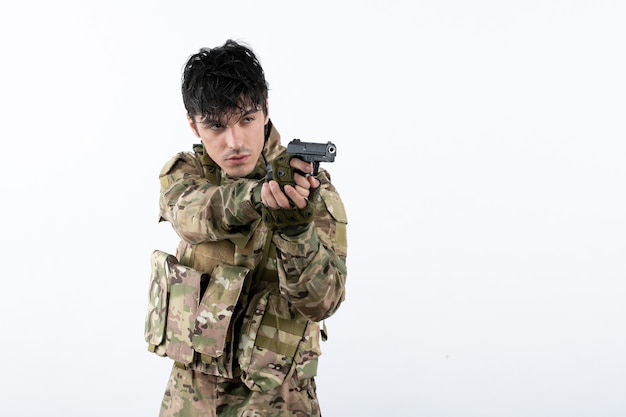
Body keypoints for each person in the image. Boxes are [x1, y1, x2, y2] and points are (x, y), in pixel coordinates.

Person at [153, 39, 348, 416]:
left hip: (277, 402)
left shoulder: (310, 191)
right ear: (193, 125)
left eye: (246, 119)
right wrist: (257, 197)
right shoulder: (188, 176)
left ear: (265, 111)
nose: (235, 142)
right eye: (216, 126)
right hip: (191, 399)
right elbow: (194, 215)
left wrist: (295, 232)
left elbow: (322, 301)